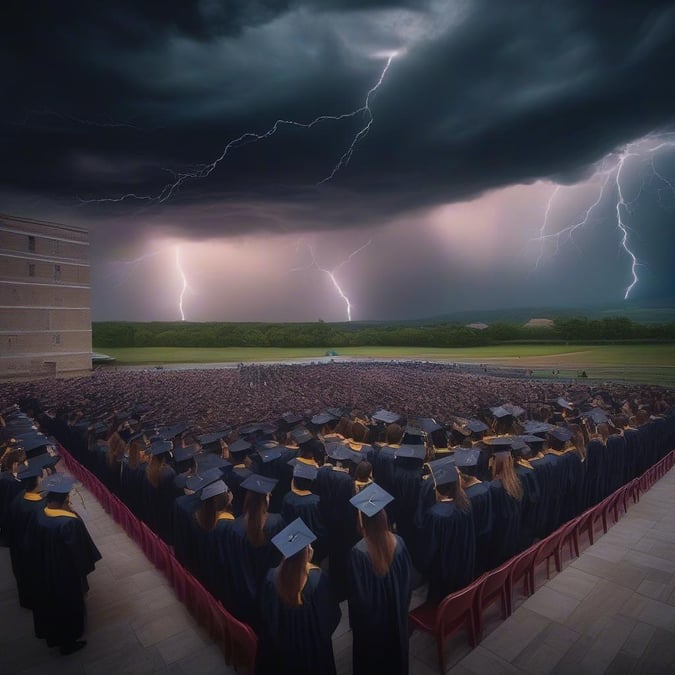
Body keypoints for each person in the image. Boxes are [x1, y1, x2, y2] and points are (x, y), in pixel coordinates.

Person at [23, 473, 101, 655]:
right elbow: (81, 557)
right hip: (66, 575)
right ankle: (69, 642)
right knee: (69, 608)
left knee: (53, 607)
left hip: (46, 570)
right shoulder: (69, 523)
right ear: (65, 497)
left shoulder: (40, 514)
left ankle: (57, 637)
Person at [256, 517, 341, 675]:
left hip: (282, 651)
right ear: (306, 553)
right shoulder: (317, 579)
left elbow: (267, 617)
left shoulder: (271, 578)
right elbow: (332, 616)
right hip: (314, 652)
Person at [348, 483, 413, 675]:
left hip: (372, 628)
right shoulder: (399, 543)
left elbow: (358, 598)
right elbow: (407, 584)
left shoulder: (359, 552)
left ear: (363, 520)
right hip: (397, 616)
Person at [420, 458, 475, 604]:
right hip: (463, 562)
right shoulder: (466, 505)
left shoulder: (436, 514)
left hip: (443, 569)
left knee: (441, 598)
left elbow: (431, 548)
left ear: (437, 489)